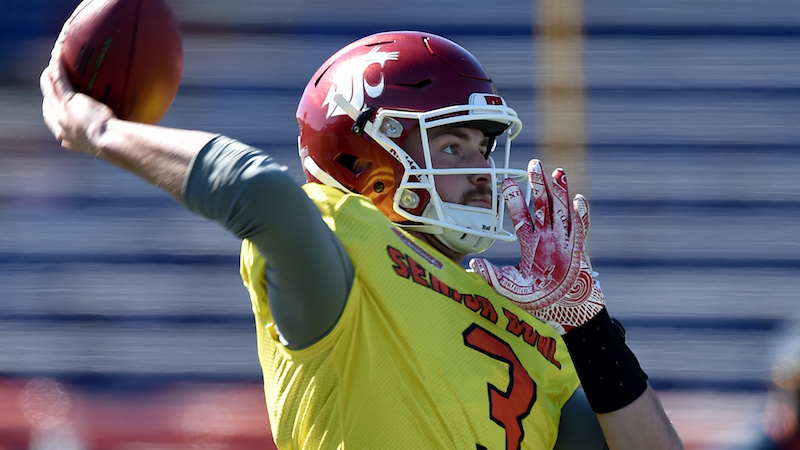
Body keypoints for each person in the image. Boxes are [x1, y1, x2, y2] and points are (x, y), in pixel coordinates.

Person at [40, 27, 683, 449]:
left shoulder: (536, 326)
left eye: (483, 149)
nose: (481, 171)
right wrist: (99, 131)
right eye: (451, 145)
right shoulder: (350, 249)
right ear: (363, 157)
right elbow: (259, 190)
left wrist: (588, 326)